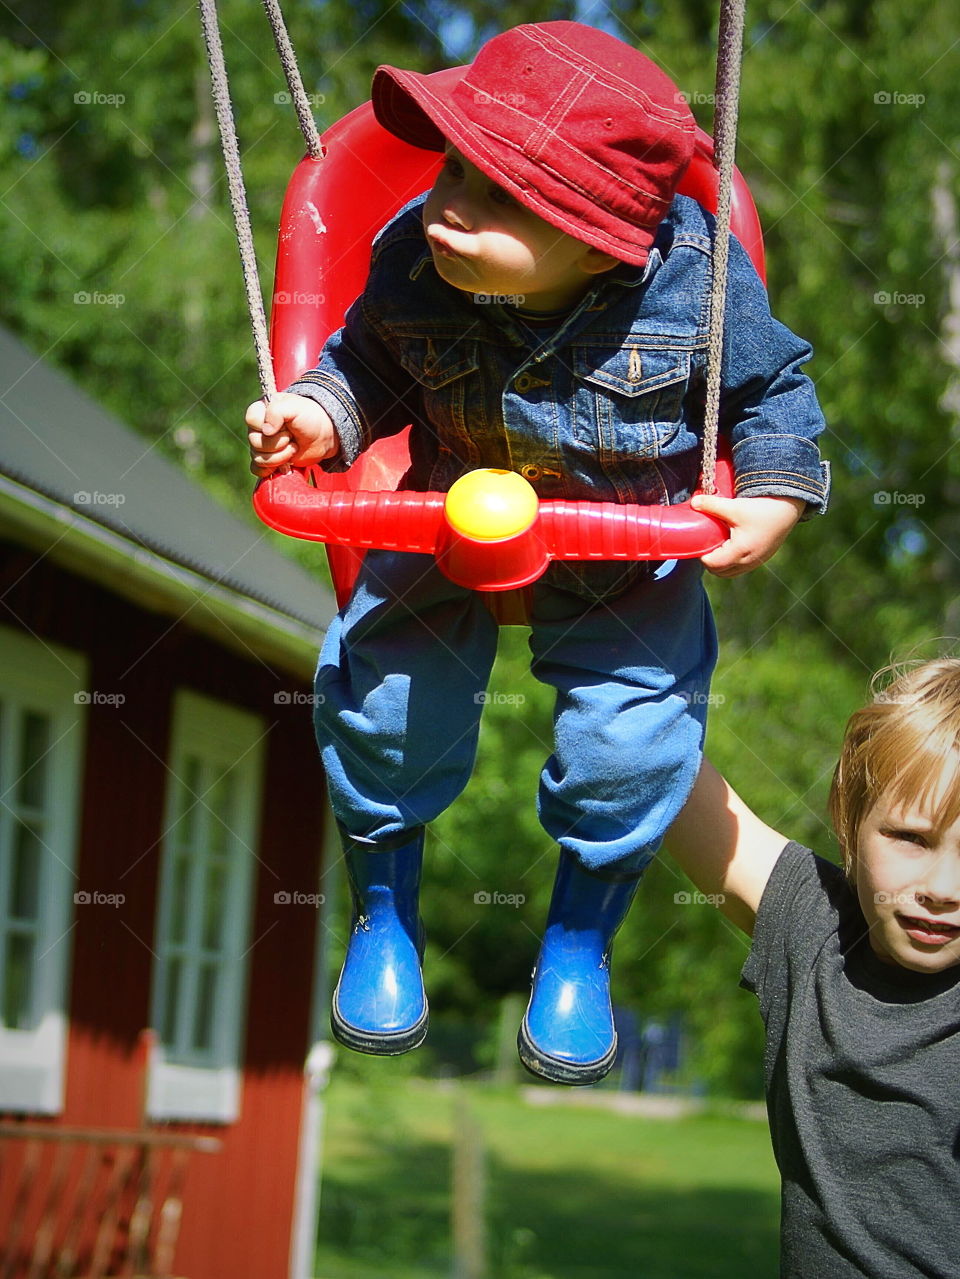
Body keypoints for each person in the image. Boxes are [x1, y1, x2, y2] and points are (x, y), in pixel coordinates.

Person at [246, 21, 829, 1084]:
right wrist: (319, 421)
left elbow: (773, 391)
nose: (448, 202)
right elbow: (364, 363)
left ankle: (576, 941)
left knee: (635, 746)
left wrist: (778, 492)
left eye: (497, 191)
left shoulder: (694, 285)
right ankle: (384, 911)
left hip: (627, 543)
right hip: (442, 509)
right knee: (377, 705)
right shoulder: (414, 260)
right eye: (454, 169)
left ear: (599, 231)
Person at [665, 657, 960, 1277]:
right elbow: (655, 752)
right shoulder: (812, 927)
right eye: (911, 838)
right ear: (852, 826)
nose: (942, 887)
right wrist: (604, 592)